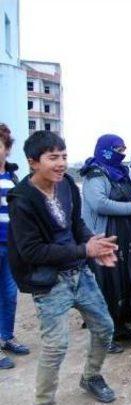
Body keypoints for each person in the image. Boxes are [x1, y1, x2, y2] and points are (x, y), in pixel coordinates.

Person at [8, 131, 119, 405]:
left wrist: (95, 247)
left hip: (80, 274)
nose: (61, 164)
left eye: (64, 156)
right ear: (33, 162)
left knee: (105, 328)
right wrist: (85, 249)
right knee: (56, 346)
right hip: (50, 282)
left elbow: (77, 225)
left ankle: (91, 376)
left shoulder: (68, 184)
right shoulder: (22, 201)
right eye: (53, 158)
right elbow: (32, 251)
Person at [80, 135, 131, 353]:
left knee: (124, 282)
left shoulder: (120, 172)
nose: (121, 152)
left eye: (123, 148)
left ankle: (123, 325)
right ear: (105, 150)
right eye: (117, 148)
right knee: (107, 285)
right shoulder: (95, 174)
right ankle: (104, 335)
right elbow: (99, 204)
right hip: (103, 237)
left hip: (124, 236)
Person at [0, 124, 29, 370]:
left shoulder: (12, 177)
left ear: (7, 149)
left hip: (10, 245)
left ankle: (7, 337)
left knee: (10, 295)